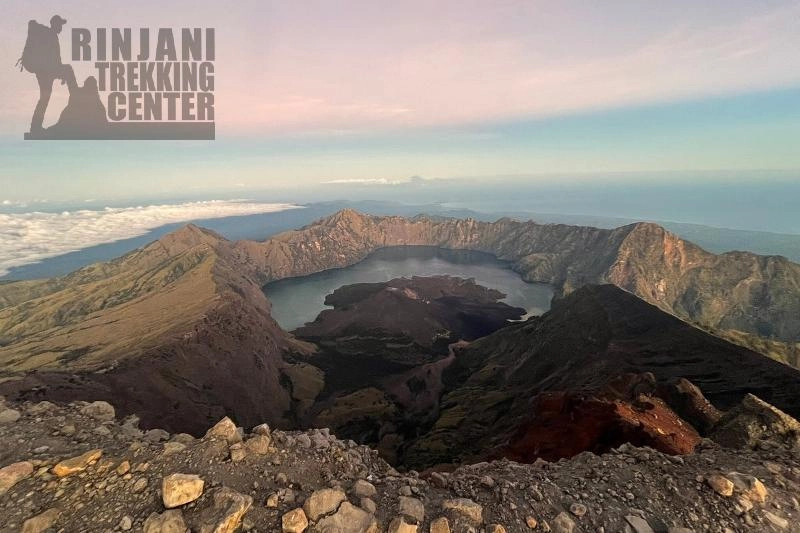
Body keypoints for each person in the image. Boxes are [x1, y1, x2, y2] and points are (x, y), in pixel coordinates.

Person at [20, 15, 77, 135]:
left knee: (44, 98)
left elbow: (55, 60)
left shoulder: (49, 36)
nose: (61, 27)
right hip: (47, 71)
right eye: (60, 25)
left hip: (44, 71)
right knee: (68, 70)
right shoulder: (50, 36)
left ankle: (35, 127)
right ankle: (77, 98)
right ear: (55, 24)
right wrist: (61, 73)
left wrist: (60, 73)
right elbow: (54, 60)